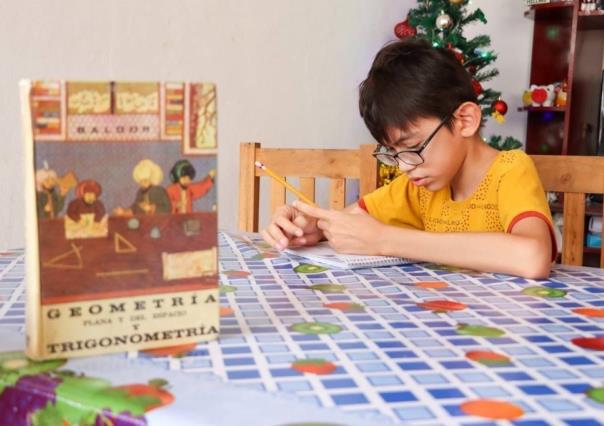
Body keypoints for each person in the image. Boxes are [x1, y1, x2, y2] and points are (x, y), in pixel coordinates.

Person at [261, 39, 555, 279]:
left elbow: (533, 257)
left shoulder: (511, 170)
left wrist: (385, 240)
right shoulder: (418, 187)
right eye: (394, 153)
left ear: (465, 120)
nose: (404, 166)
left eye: (413, 147)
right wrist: (310, 228)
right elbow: (350, 223)